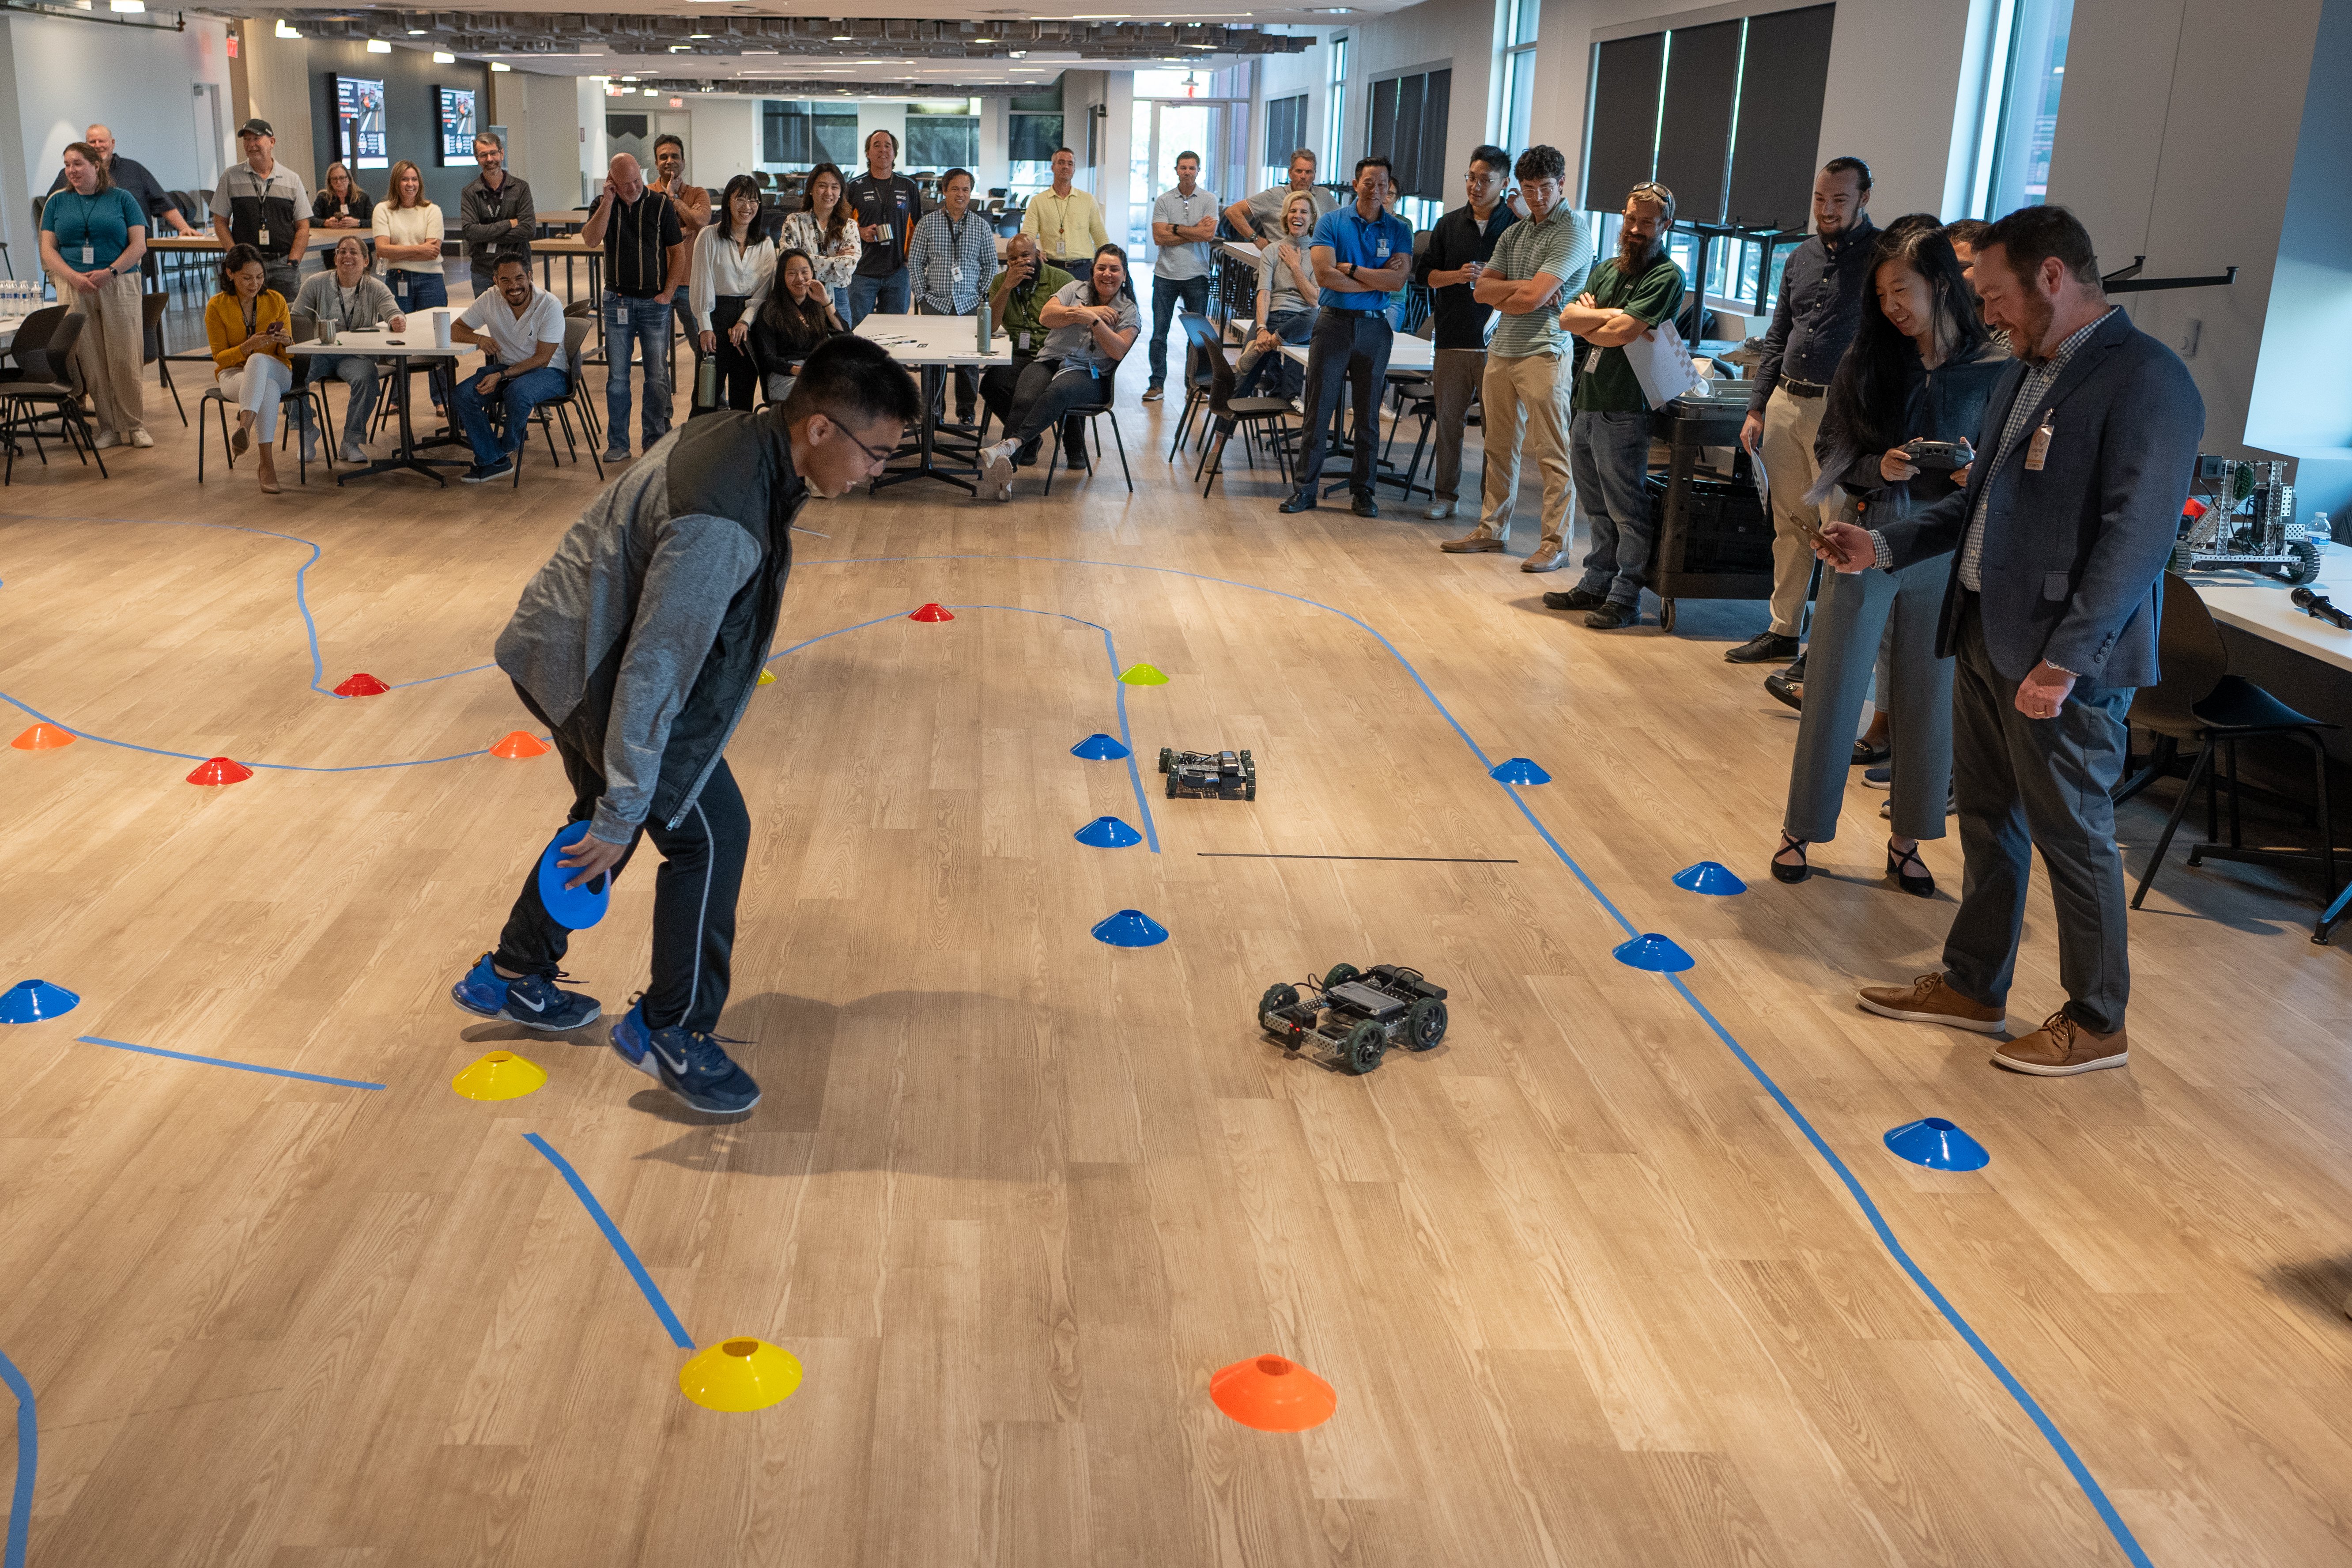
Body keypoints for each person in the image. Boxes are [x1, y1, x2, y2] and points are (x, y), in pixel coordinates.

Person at [448, 335, 917, 1115]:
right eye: (876, 453)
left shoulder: (747, 437)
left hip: (568, 641)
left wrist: (620, 806)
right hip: (592, 665)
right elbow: (655, 666)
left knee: (609, 820)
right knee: (708, 835)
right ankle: (670, 1029)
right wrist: (629, 795)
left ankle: (511, 973)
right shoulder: (724, 520)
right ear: (821, 429)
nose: (878, 471)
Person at [1816, 204, 2204, 1077]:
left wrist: (2063, 660)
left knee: (2072, 832)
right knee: (1990, 822)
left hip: (2059, 661)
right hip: (1987, 635)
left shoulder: (2145, 378)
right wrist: (1880, 545)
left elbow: (2135, 538)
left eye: (1995, 295)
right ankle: (1970, 984)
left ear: (2051, 279)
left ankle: (2096, 1020)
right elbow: (1976, 506)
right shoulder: (2024, 371)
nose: (1984, 312)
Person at [1765, 219, 2005, 896]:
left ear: (1938, 282)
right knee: (1835, 685)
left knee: (1928, 695)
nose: (1892, 306)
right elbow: (1832, 451)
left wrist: (1970, 474)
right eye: (1882, 294)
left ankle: (1908, 840)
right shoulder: (1867, 358)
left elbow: (2005, 464)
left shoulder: (1994, 366)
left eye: (1901, 289)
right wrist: (1883, 465)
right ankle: (1799, 828)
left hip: (1946, 540)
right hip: (1866, 531)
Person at [1730, 156, 1877, 666]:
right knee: (1789, 523)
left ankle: (1828, 646)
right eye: (1820, 199)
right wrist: (1756, 408)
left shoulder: (1881, 260)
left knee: (1835, 530)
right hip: (1784, 404)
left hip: (1840, 414)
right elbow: (1776, 338)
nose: (1827, 209)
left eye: (1839, 199)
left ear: (1863, 199)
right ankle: (1782, 628)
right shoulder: (1799, 258)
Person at [1544, 181, 1686, 627]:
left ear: (1665, 225)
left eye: (1646, 222)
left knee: (1626, 508)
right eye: (1630, 219)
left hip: (1625, 406)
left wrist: (1599, 319)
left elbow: (1623, 331)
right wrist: (1605, 320)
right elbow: (1567, 317)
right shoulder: (1606, 269)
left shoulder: (1665, 275)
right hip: (1587, 401)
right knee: (1595, 504)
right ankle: (1595, 582)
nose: (1635, 228)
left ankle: (1625, 596)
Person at [1442, 145, 1590, 567]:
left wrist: (1520, 290)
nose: (1537, 198)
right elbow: (1480, 292)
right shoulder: (1515, 233)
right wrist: (1523, 288)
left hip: (1544, 351)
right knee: (1497, 448)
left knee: (1551, 451)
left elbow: (1532, 298)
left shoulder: (1573, 231)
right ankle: (1491, 530)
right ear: (1518, 189)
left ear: (1561, 184)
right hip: (1502, 350)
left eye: (1545, 188)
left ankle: (1555, 543)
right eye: (1529, 190)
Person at [1276, 157, 1414, 518]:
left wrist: (1352, 269)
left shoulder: (1399, 229)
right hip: (1333, 324)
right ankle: (1305, 491)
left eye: (1383, 184)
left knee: (1368, 414)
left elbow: (1396, 282)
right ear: (1356, 184)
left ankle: (1363, 492)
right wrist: (1374, 278)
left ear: (1389, 188)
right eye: (1369, 182)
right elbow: (1324, 276)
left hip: (1375, 327)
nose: (1376, 190)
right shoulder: (1331, 222)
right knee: (1318, 410)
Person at [976, 243, 1139, 498]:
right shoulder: (1074, 289)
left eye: (1114, 269)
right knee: (1024, 398)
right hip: (1051, 360)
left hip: (1091, 373)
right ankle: (1006, 473)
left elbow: (1118, 350)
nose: (1107, 274)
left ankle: (1012, 445)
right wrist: (1084, 312)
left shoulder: (1128, 310)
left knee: (1058, 391)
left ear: (1125, 275)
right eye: (1101, 268)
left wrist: (1094, 322)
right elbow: (1047, 316)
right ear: (1092, 271)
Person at [1412, 145, 1516, 521]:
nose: (1475, 186)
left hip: (1500, 344)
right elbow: (1424, 276)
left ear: (1503, 184)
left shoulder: (1517, 227)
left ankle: (1493, 505)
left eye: (1485, 180)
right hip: (1453, 339)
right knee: (1449, 424)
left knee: (1498, 432)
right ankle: (1445, 496)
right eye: (1471, 178)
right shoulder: (1448, 224)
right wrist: (1457, 275)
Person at [40, 140, 150, 450]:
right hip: (74, 285)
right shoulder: (57, 203)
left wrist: (110, 272)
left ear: (96, 165)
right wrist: (74, 277)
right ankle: (108, 427)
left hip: (119, 282)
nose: (71, 170)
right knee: (89, 358)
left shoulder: (122, 199)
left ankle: (134, 425)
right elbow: (48, 250)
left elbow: (139, 246)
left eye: (78, 164)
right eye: (67, 165)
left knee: (125, 355)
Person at [581, 152, 687, 464]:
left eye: (637, 181)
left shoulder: (660, 204)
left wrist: (667, 294)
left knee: (656, 375)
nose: (634, 188)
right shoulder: (603, 206)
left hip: (654, 302)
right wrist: (608, 203)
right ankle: (618, 442)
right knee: (617, 378)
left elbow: (677, 254)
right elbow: (590, 240)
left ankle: (653, 438)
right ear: (612, 182)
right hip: (618, 301)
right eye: (625, 184)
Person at [448, 254, 569, 484]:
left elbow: (542, 359)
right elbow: (456, 329)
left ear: (530, 277)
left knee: (518, 392)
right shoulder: (489, 299)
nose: (514, 286)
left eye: (519, 278)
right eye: (505, 280)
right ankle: (495, 459)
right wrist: (479, 339)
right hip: (506, 369)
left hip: (550, 372)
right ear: (495, 281)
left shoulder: (549, 304)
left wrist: (501, 375)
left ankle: (507, 446)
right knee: (463, 395)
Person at [293, 235, 405, 462]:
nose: (347, 256)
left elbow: (394, 311)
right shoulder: (316, 282)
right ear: (335, 258)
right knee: (290, 377)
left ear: (366, 261)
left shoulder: (375, 287)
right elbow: (296, 318)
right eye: (342, 251)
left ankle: (350, 442)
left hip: (355, 356)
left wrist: (397, 320)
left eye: (354, 252)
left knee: (366, 377)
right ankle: (307, 432)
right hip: (322, 353)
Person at [906, 167, 999, 424]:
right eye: (955, 189)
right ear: (944, 191)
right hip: (935, 302)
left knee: (968, 361)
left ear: (971, 193)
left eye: (966, 189)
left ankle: (966, 412)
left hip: (970, 303)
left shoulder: (981, 226)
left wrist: (981, 294)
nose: (961, 194)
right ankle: (934, 411)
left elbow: (991, 264)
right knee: (933, 361)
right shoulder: (928, 223)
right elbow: (915, 262)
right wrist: (922, 296)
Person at [204, 243, 294, 494]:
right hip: (234, 374)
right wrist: (246, 347)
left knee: (259, 362)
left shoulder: (275, 300)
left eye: (259, 277)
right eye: (247, 278)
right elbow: (220, 358)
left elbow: (291, 354)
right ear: (230, 274)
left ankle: (244, 427)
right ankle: (267, 464)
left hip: (278, 368)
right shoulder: (216, 306)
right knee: (267, 386)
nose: (254, 284)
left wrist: (288, 343)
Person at [978, 233, 1072, 461]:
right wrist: (1007, 287)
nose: (1020, 262)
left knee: (1027, 396)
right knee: (991, 385)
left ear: (1038, 255)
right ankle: (1029, 440)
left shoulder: (1062, 280)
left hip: (1056, 354)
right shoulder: (1001, 282)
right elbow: (989, 328)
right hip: (1021, 354)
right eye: (1012, 259)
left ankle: (1012, 453)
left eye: (1025, 255)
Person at [692, 176, 776, 415]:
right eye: (740, 199)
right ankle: (699, 449)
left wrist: (745, 320)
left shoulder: (765, 243)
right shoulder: (709, 236)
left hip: (749, 322)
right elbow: (702, 282)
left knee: (743, 397)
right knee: (706, 396)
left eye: (753, 201)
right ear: (728, 201)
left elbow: (764, 289)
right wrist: (705, 326)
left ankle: (739, 450)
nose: (747, 207)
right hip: (715, 316)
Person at [373, 159, 450, 414]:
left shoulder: (432, 210)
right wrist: (419, 249)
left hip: (431, 281)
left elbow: (433, 252)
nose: (410, 184)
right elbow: (382, 250)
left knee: (437, 338)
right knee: (398, 337)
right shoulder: (383, 210)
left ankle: (442, 399)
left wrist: (398, 252)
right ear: (396, 182)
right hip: (397, 280)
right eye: (405, 179)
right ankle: (397, 399)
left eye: (414, 179)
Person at [1143, 150, 1219, 402]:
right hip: (1165, 274)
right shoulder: (1164, 200)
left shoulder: (1209, 200)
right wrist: (1193, 230)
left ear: (1199, 171)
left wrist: (1174, 228)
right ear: (1176, 170)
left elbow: (1208, 236)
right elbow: (1159, 237)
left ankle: (1194, 386)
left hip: (1197, 274)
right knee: (1159, 334)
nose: (1187, 172)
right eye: (1183, 168)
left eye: (1192, 168)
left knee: (1196, 336)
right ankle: (1157, 385)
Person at [1231, 191, 1320, 402]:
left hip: (1301, 320)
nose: (1297, 216)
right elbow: (1264, 292)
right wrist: (1261, 328)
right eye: (1293, 211)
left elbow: (1314, 299)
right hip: (1272, 317)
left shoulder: (1319, 254)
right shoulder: (1272, 250)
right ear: (1286, 217)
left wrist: (1296, 267)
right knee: (1242, 380)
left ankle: (1270, 345)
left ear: (1312, 218)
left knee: (1315, 315)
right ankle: (1220, 434)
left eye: (1304, 212)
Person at [212, 118, 309, 305]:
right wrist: (235, 255)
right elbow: (220, 221)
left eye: (256, 138)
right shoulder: (231, 177)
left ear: (272, 142)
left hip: (283, 265)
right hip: (246, 268)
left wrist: (293, 262)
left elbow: (303, 226)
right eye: (247, 140)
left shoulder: (291, 179)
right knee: (249, 319)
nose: (251, 145)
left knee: (287, 321)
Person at [48, 123, 197, 244]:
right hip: (86, 250)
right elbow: (51, 212)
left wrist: (184, 228)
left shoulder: (134, 170)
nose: (97, 145)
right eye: (92, 142)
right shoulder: (69, 174)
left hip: (134, 251)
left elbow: (162, 202)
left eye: (102, 141)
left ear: (112, 143)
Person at [845, 129, 921, 322]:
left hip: (897, 272)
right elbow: (842, 225)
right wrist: (860, 232)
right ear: (868, 153)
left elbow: (918, 227)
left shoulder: (908, 186)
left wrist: (909, 260)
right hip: (862, 273)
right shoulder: (854, 186)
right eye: (876, 145)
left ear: (894, 153)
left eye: (888, 145)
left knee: (894, 332)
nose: (883, 150)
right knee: (858, 332)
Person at [750, 250, 844, 403]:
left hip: (816, 371)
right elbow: (767, 358)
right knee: (825, 395)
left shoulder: (817, 305)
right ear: (782, 277)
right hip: (785, 376)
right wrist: (798, 370)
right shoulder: (770, 310)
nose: (800, 279)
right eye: (792, 274)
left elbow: (845, 338)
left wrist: (826, 301)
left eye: (805, 272)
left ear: (812, 273)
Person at [649, 132, 713, 357]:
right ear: (656, 163)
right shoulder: (646, 194)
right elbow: (647, 234)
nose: (669, 161)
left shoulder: (697, 194)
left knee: (705, 349)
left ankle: (711, 394)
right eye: (663, 157)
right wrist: (683, 231)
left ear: (683, 162)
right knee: (657, 354)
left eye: (675, 156)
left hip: (691, 285)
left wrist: (673, 197)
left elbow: (701, 222)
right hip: (656, 286)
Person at [458, 132, 534, 302]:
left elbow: (528, 230)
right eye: (483, 155)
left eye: (493, 153)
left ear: (502, 153)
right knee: (487, 324)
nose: (490, 159)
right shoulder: (470, 192)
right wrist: (509, 223)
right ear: (477, 158)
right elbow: (470, 232)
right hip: (484, 271)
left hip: (519, 270)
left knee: (521, 321)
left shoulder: (520, 188)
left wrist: (486, 234)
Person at [782, 161, 860, 321]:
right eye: (822, 186)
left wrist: (806, 261)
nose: (829, 192)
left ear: (841, 192)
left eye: (835, 187)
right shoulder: (794, 222)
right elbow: (787, 260)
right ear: (811, 189)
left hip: (839, 298)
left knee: (842, 345)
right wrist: (835, 261)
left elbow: (848, 267)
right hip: (803, 295)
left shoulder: (849, 226)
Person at [1020, 146, 1108, 275]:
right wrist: (1036, 251)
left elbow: (1100, 236)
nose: (1066, 167)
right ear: (1053, 168)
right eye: (1061, 163)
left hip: (1083, 268)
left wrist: (1107, 264)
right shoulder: (1038, 201)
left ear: (1074, 170)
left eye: (1070, 164)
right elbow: (1027, 236)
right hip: (1052, 268)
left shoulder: (1088, 200)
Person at [1223, 148, 1337, 245]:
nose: (1304, 176)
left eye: (1308, 172)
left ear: (1315, 175)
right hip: (1279, 259)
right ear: (1290, 173)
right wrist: (1256, 239)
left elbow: (1342, 222)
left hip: (1313, 261)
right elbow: (1233, 212)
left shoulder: (1324, 195)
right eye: (1299, 171)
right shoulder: (1274, 196)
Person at [313, 162, 373, 230]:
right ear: (330, 182)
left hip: (358, 237)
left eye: (342, 178)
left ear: (349, 180)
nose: (338, 182)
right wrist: (325, 223)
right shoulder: (323, 198)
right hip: (331, 237)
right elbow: (311, 220)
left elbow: (374, 221)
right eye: (335, 179)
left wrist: (358, 223)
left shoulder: (363, 198)